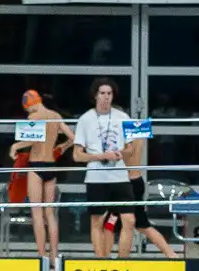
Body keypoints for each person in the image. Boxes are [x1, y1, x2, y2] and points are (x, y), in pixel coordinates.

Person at [73, 79, 135, 258]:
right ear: (95, 95)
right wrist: (101, 156)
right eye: (103, 93)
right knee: (97, 221)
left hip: (120, 177)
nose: (106, 97)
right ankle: (101, 262)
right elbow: (77, 155)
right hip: (96, 178)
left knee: (129, 220)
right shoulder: (85, 119)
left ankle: (122, 262)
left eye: (109, 94)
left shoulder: (122, 117)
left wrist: (120, 153)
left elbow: (131, 149)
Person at [18, 88, 69, 260]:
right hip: (51, 165)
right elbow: (73, 137)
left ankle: (42, 256)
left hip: (36, 165)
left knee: (37, 212)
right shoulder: (55, 116)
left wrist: (15, 147)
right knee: (50, 212)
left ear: (28, 105)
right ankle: (54, 256)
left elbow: (32, 140)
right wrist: (62, 147)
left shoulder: (33, 117)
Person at [119, 118, 180, 259]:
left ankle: (121, 260)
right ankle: (171, 254)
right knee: (142, 224)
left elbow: (122, 155)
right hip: (137, 179)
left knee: (113, 223)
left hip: (125, 182)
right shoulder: (138, 135)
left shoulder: (122, 138)